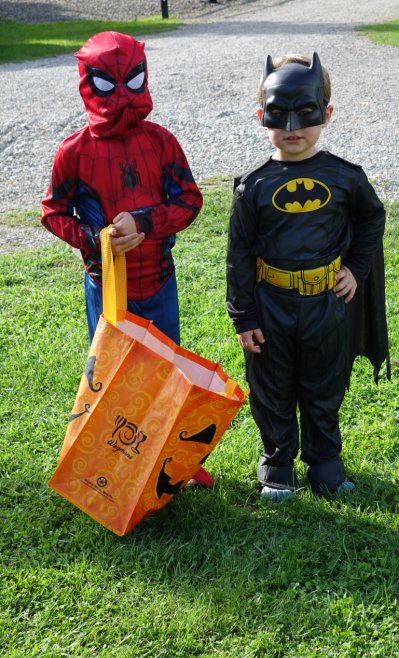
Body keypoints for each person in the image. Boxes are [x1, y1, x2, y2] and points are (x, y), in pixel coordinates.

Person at [41, 31, 213, 489]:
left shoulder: (161, 143)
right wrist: (94, 240)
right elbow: (52, 210)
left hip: (157, 279)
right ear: (87, 82)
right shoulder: (74, 151)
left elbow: (191, 200)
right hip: (106, 284)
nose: (120, 97)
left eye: (131, 81)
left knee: (168, 371)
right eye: (107, 84)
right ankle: (110, 464)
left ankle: (174, 459)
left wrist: (145, 221)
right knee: (110, 376)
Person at [226, 52, 389, 501]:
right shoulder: (253, 186)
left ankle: (325, 464)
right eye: (279, 115)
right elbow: (238, 253)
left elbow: (373, 220)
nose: (293, 127)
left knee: (324, 385)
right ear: (261, 117)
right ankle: (277, 465)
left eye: (306, 112)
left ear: (327, 114)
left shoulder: (345, 178)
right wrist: (243, 317)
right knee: (272, 387)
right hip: (270, 303)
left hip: (326, 305)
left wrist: (356, 269)